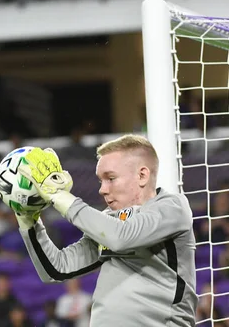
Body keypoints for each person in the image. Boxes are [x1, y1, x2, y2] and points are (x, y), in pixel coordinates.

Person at [13, 134, 197, 326]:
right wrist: (28, 220)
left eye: (110, 178)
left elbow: (121, 237)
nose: (102, 189)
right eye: (101, 181)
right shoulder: (110, 221)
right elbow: (57, 269)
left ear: (142, 175)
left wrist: (59, 196)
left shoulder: (172, 208)